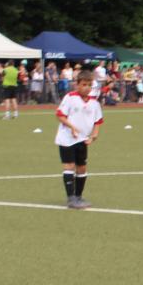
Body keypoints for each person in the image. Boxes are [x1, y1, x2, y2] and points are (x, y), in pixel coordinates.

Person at [54, 74, 104, 210]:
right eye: (84, 85)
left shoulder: (94, 103)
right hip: (67, 139)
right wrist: (72, 127)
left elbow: (98, 120)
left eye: (89, 85)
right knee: (69, 166)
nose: (87, 88)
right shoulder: (70, 98)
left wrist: (94, 134)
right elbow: (60, 115)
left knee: (82, 168)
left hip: (83, 139)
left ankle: (78, 196)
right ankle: (71, 198)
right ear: (77, 85)